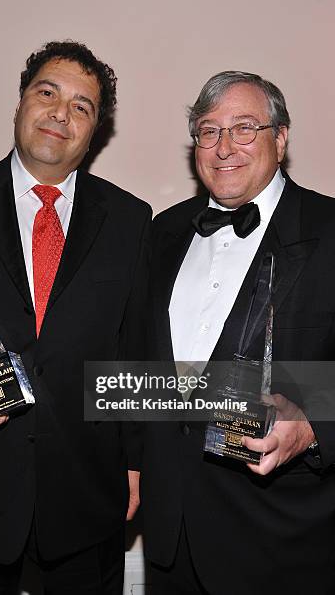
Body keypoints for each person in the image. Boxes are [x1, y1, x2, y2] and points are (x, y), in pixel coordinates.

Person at [0, 40, 151, 594]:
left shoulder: (130, 220)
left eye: (82, 106)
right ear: (20, 102)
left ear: (95, 130)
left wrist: (135, 463)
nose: (61, 113)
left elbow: (133, 350)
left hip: (86, 506)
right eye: (48, 93)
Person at [142, 71, 335, 594]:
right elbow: (140, 368)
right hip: (170, 539)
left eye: (244, 128)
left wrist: (315, 425)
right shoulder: (159, 233)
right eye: (209, 131)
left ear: (282, 137)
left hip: (282, 540)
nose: (224, 146)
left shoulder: (329, 229)